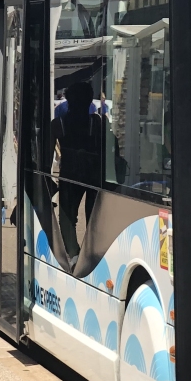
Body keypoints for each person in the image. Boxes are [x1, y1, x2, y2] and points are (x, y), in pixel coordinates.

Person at [51, 81, 106, 259]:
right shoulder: (97, 122)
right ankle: (91, 254)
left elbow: (45, 156)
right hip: (94, 175)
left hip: (69, 175)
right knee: (94, 218)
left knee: (67, 217)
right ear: (90, 101)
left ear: (68, 101)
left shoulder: (58, 124)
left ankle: (74, 255)